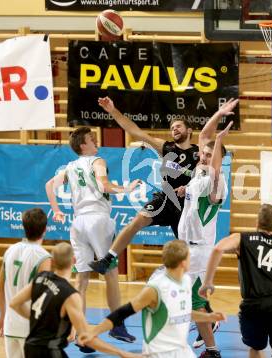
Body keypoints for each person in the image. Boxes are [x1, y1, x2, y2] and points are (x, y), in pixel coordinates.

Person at [90, 96, 238, 275]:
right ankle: (107, 259)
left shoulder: (199, 154)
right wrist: (113, 110)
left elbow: (206, 135)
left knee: (186, 254)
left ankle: (197, 292)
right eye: (172, 127)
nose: (174, 129)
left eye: (178, 126)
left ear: (189, 130)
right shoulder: (166, 148)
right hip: (166, 200)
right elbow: (136, 131)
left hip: (186, 207)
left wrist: (219, 116)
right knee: (136, 221)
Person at [45, 127, 139, 345]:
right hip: (98, 219)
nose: (95, 140)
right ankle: (117, 325)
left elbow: (49, 185)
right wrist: (127, 189)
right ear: (82, 145)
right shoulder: (97, 161)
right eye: (91, 138)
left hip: (78, 223)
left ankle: (80, 334)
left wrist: (57, 210)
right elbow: (103, 184)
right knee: (111, 272)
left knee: (82, 280)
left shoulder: (70, 167)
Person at [78, 240, 226, 358]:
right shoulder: (156, 287)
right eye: (189, 258)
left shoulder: (186, 281)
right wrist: (94, 331)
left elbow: (181, 313)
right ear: (183, 263)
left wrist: (208, 316)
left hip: (181, 350)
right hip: (159, 352)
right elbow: (123, 312)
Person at [199, 204, 272, 358]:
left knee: (256, 347)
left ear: (257, 221)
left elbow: (217, 249)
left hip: (253, 305)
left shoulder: (242, 238)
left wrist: (208, 282)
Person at [9, 242, 138, 358]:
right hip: (50, 351)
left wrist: (36, 318)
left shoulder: (40, 278)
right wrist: (122, 353)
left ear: (52, 261)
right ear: (74, 260)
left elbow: (14, 303)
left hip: (29, 347)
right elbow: (86, 339)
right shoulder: (70, 295)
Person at [178, 120, 232, 357]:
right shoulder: (199, 173)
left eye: (210, 155)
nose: (204, 157)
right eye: (204, 154)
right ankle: (211, 349)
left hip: (198, 252)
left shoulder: (218, 183)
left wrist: (219, 141)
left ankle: (190, 347)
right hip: (186, 248)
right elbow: (202, 138)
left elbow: (215, 171)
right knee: (192, 302)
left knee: (183, 301)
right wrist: (219, 114)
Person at [0, 208, 52, 358]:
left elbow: (0, 288)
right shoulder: (44, 257)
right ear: (45, 230)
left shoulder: (10, 250)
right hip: (31, 327)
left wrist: (3, 315)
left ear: (23, 227)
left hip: (10, 325)